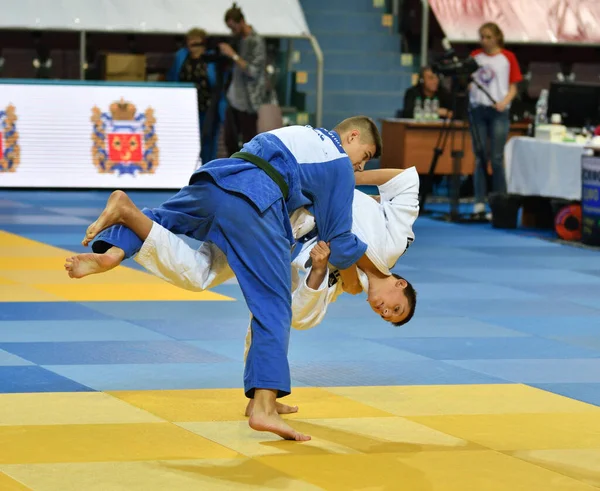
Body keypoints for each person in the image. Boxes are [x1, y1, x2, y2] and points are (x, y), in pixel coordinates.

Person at [68, 117, 381, 441]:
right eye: (366, 155)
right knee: (273, 306)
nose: (360, 166)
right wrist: (375, 276)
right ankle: (263, 406)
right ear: (353, 136)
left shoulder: (302, 133)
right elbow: (340, 240)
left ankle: (115, 248)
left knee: (165, 224)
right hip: (256, 202)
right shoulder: (338, 162)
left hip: (217, 177)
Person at [469, 22, 522, 220]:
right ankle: (479, 202)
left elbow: (514, 86)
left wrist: (505, 101)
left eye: (488, 36)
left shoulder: (507, 58)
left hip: (498, 111)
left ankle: (501, 201)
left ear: (497, 37)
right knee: (480, 156)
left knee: (497, 158)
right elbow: (468, 81)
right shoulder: (475, 57)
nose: (484, 40)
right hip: (478, 110)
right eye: (482, 36)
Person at [219, 3, 274, 155]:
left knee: (249, 142)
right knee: (229, 140)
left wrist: (233, 55)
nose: (232, 31)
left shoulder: (256, 41)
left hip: (248, 102)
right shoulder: (238, 39)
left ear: (241, 22)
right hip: (234, 99)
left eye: (233, 27)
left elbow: (254, 71)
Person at [167, 28, 228, 164]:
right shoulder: (181, 56)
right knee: (187, 141)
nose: (192, 46)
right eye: (189, 42)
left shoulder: (212, 58)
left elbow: (220, 81)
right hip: (186, 109)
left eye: (196, 42)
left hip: (208, 107)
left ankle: (207, 169)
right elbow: (173, 77)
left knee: (208, 141)